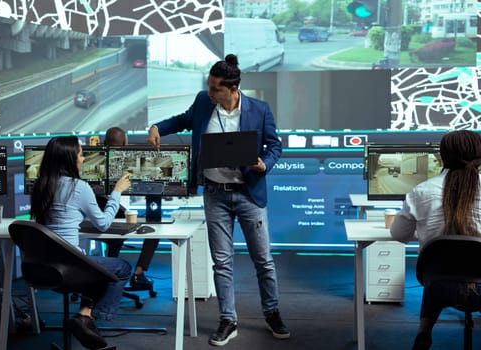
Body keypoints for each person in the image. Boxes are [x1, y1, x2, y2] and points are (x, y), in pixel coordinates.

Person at [147, 54, 289, 346]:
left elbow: (275, 145)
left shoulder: (259, 110)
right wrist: (156, 128)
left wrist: (264, 164)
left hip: (249, 194)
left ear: (233, 89)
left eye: (216, 89)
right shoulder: (203, 102)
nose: (209, 93)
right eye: (209, 87)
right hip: (215, 195)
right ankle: (228, 319)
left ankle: (272, 312)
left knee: (263, 260)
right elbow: (182, 120)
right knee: (221, 262)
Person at [390, 130, 481, 350]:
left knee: (441, 270)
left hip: (439, 286)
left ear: (441, 157)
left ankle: (423, 334)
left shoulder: (420, 192)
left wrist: (428, 234)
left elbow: (398, 235)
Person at [30, 135, 132, 349]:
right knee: (121, 267)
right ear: (69, 159)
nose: (83, 159)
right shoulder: (79, 187)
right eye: (80, 154)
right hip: (70, 268)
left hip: (42, 268)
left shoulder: (40, 186)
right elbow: (103, 224)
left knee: (96, 267)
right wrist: (117, 192)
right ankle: (89, 318)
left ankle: (84, 316)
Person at [102, 126, 159, 291]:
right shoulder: (132, 159)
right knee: (154, 228)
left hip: (96, 216)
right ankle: (138, 274)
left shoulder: (94, 159)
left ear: (105, 142)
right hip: (121, 215)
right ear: (125, 143)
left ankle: (107, 274)